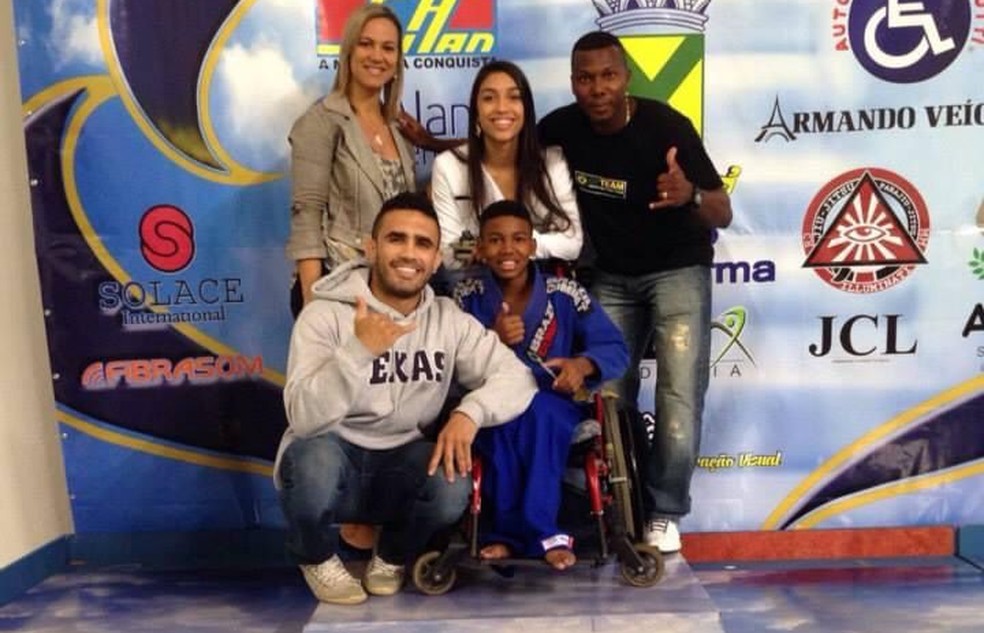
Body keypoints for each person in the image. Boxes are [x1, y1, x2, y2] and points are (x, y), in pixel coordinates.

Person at [275, 192, 538, 604]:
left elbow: (518, 378)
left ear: (435, 260)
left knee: (451, 481)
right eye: (396, 239)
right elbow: (304, 417)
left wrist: (470, 413)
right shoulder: (324, 315)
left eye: (423, 243)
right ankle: (317, 558)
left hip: (398, 463)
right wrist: (358, 352)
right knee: (311, 461)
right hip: (332, 454)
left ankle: (391, 556)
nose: (409, 253)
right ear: (371, 247)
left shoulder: (448, 320)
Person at [538, 31, 733, 554]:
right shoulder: (559, 129)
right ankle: (622, 509)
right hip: (611, 276)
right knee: (606, 396)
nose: (597, 88)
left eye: (608, 75)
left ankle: (665, 512)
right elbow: (499, 152)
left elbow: (722, 211)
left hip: (677, 268)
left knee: (678, 394)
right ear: (573, 82)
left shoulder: (667, 126)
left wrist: (689, 195)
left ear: (626, 77)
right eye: (586, 78)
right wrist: (436, 150)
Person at [453, 200, 629, 570]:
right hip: (490, 403)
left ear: (532, 246)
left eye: (518, 239)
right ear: (480, 248)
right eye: (495, 240)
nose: (508, 249)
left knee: (538, 413)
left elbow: (614, 347)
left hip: (554, 403)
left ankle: (543, 532)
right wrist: (491, 338)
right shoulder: (465, 297)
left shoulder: (566, 292)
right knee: (501, 420)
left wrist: (581, 365)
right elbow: (449, 358)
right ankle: (504, 535)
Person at [286, 4, 416, 317]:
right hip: (335, 290)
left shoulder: (399, 129)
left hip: (388, 294)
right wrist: (313, 306)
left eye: (388, 48)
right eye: (366, 44)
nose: (377, 56)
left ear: (398, 61)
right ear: (348, 52)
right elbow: (307, 216)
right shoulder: (321, 121)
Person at [430, 60, 582, 289]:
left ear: (526, 109)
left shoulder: (552, 161)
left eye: (514, 97)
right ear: (476, 112)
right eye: (489, 98)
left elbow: (572, 243)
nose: (502, 107)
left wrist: (501, 245)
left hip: (542, 285)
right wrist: (516, 245)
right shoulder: (448, 166)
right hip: (473, 286)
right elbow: (449, 253)